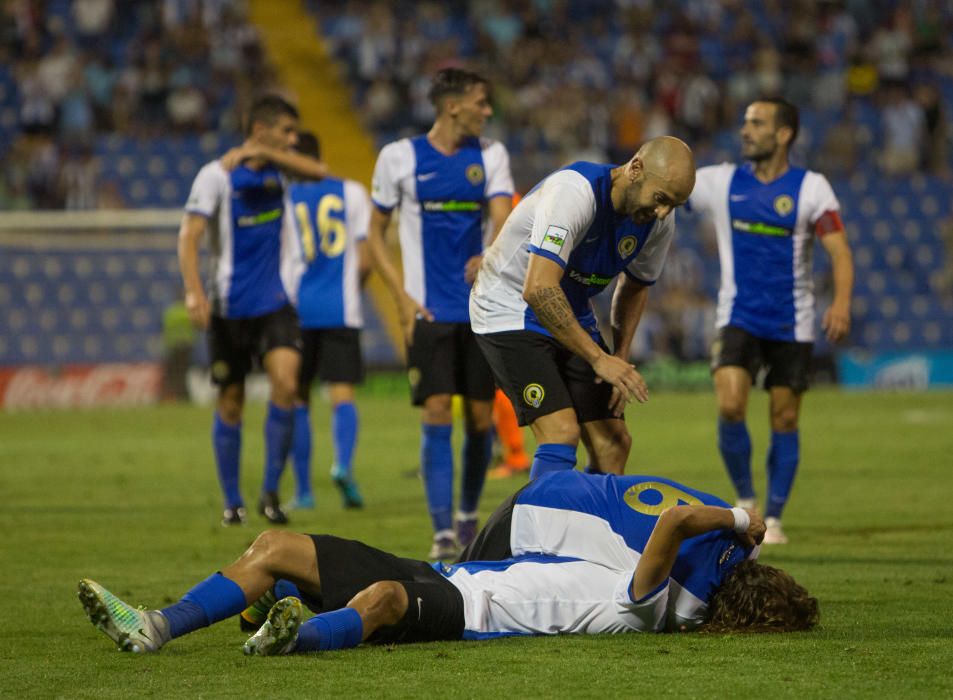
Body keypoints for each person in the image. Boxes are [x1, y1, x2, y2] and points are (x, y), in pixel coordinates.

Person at [77, 472, 819, 657]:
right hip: (452, 573)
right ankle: (154, 626)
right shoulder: (665, 596)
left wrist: (741, 521)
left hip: (473, 613)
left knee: (384, 602)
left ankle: (291, 639)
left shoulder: (655, 606)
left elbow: (676, 518)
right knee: (274, 549)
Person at [470, 137, 695, 480]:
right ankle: (541, 531)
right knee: (561, 433)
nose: (663, 212)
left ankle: (588, 532)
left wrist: (618, 356)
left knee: (614, 443)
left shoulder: (659, 221)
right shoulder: (574, 192)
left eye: (674, 205)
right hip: (508, 305)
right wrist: (598, 358)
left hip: (569, 308)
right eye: (661, 199)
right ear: (635, 168)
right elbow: (539, 287)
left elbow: (635, 287)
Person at [686, 97, 854, 544]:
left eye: (757, 123)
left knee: (784, 418)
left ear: (784, 134)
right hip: (737, 315)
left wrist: (840, 303)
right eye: (745, 122)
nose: (746, 131)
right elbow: (673, 183)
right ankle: (746, 501)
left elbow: (839, 250)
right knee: (729, 405)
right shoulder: (722, 182)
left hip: (791, 321)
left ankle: (775, 517)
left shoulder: (812, 187)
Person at [367, 68, 514, 560]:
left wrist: (490, 252)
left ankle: (467, 517)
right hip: (428, 310)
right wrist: (401, 297)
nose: (487, 111)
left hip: (479, 308)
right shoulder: (399, 157)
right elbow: (374, 233)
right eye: (481, 101)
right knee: (434, 411)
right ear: (453, 106)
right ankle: (441, 531)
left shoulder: (491, 155)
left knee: (478, 418)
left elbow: (502, 218)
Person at [178, 95, 327, 527]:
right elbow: (189, 236)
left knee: (285, 383)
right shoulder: (216, 176)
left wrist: (266, 152)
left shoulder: (280, 169)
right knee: (231, 400)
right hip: (229, 307)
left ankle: (270, 493)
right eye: (286, 132)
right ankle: (232, 501)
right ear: (260, 129)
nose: (293, 140)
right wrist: (193, 292)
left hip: (275, 304)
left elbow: (319, 172)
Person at [282, 131, 370, 510]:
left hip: (297, 309)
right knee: (342, 395)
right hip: (341, 310)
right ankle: (343, 466)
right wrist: (353, 289)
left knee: (298, 399)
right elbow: (365, 259)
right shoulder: (352, 192)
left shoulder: (285, 198)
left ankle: (303, 491)